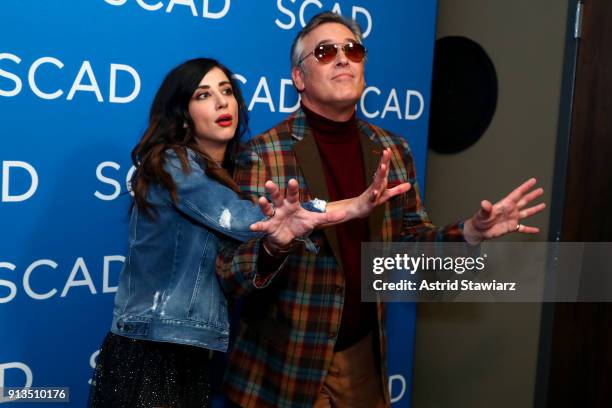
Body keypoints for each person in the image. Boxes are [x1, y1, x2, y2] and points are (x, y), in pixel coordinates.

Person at [216, 12, 546, 408]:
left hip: (363, 361)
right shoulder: (263, 156)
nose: (342, 58)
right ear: (299, 78)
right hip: (281, 366)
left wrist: (470, 233)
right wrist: (275, 245)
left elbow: (411, 248)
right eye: (324, 52)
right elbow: (230, 274)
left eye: (352, 50)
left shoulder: (393, 150)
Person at [88, 57, 408, 408]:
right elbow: (241, 218)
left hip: (190, 354)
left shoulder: (230, 170)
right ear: (182, 113)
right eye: (203, 95)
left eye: (226, 91)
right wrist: (347, 207)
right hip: (150, 351)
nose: (222, 102)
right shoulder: (172, 162)